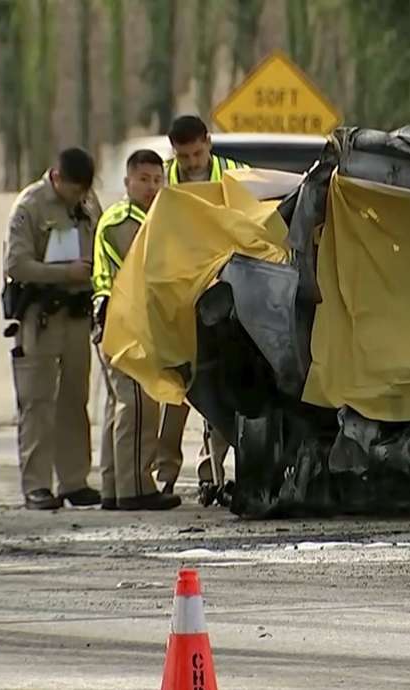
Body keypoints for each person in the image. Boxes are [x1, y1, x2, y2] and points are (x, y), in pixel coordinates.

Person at [3, 147, 102, 510]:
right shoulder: (30, 206)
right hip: (42, 317)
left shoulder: (88, 206)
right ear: (56, 178)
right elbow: (17, 264)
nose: (81, 197)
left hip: (78, 316)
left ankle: (74, 480)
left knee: (75, 401)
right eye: (75, 189)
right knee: (38, 402)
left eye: (85, 190)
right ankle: (37, 485)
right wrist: (64, 273)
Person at [162, 114, 248, 506]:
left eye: (197, 153)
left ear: (208, 143)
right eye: (185, 156)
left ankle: (225, 471)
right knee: (189, 389)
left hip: (230, 296)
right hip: (183, 299)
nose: (193, 162)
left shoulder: (233, 174)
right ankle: (190, 475)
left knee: (231, 385)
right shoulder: (164, 181)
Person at [91, 149, 182, 511]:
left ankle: (114, 486)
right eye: (143, 179)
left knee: (120, 405)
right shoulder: (123, 222)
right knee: (137, 404)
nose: (151, 186)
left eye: (157, 179)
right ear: (127, 182)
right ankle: (136, 488)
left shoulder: (154, 217)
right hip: (123, 322)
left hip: (128, 323)